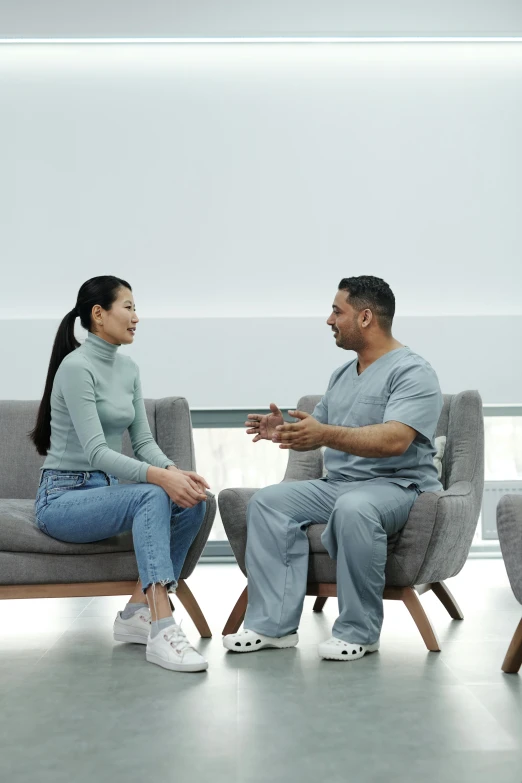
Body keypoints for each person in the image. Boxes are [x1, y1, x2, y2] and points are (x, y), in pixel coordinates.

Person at [223, 275, 443, 662]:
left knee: (355, 508)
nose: (329, 320)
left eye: (337, 311)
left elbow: (395, 440)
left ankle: (359, 632)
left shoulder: (413, 372)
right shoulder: (342, 374)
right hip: (338, 483)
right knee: (268, 502)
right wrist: (286, 431)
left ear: (365, 317)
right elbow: (320, 428)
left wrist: (323, 432)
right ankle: (272, 627)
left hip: (395, 485)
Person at [31, 276, 209, 673]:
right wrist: (158, 480)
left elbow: (143, 441)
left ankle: (135, 614)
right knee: (152, 493)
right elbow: (97, 451)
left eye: (135, 308)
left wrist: (174, 472)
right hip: (62, 499)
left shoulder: (128, 368)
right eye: (127, 307)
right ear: (99, 315)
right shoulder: (75, 368)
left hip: (104, 494)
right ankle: (163, 628)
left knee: (193, 503)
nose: (136, 317)